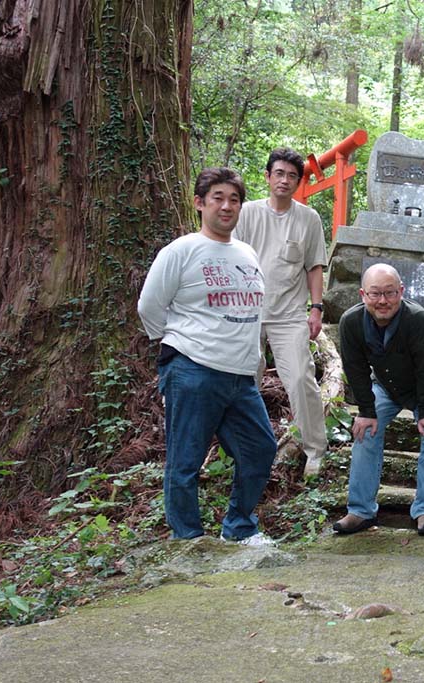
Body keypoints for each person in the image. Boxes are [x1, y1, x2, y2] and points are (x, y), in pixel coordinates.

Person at [137, 167, 277, 545]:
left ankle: (239, 528)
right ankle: (189, 539)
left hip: (240, 376)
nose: (227, 206)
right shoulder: (181, 250)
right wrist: (180, 343)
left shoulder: (246, 253)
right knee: (185, 461)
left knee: (260, 449)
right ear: (200, 203)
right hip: (193, 368)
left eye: (234, 199)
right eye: (218, 197)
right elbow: (150, 307)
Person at [334, 263, 424, 536]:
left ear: (401, 291)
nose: (382, 301)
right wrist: (366, 410)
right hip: (385, 385)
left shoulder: (419, 319)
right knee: (365, 433)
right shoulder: (351, 322)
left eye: (390, 293)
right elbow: (356, 369)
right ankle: (360, 510)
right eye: (375, 294)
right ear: (363, 294)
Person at [235, 148, 329, 476]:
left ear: (298, 181)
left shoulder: (308, 218)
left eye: (291, 176)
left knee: (301, 377)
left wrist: (316, 308)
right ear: (268, 176)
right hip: (247, 312)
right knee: (245, 379)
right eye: (279, 173)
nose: (284, 180)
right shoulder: (246, 213)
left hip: (289, 313)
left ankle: (315, 449)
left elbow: (314, 266)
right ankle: (241, 448)